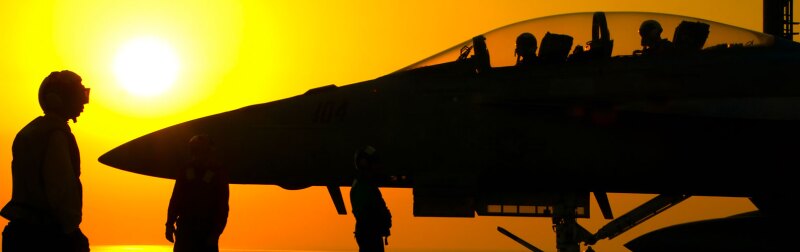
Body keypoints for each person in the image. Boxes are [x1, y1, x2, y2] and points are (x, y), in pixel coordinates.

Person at [1, 70, 91, 252]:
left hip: (21, 232)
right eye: (77, 95)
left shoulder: (30, 131)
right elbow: (60, 186)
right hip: (47, 235)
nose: (83, 102)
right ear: (58, 99)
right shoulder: (55, 135)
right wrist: (71, 229)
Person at [165, 134, 230, 252]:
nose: (199, 155)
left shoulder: (218, 173)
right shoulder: (185, 170)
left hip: (206, 232)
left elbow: (222, 207)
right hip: (186, 230)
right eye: (196, 151)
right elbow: (176, 200)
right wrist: (169, 224)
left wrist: (215, 233)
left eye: (202, 151)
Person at [350, 146, 392, 252]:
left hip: (371, 235)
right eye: (374, 164)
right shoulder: (363, 188)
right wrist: (382, 221)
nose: (377, 168)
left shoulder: (365, 185)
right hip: (370, 236)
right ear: (365, 164)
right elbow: (367, 214)